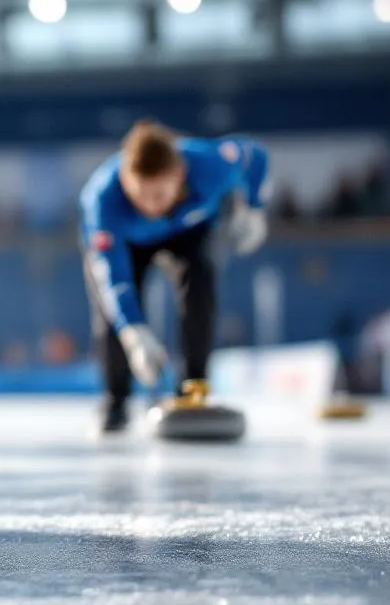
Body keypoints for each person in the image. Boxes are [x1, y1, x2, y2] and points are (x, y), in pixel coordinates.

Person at [78, 119, 270, 432]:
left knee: (201, 286)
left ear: (180, 175)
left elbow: (256, 155)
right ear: (125, 179)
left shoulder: (212, 166)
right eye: (140, 195)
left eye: (159, 195)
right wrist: (133, 332)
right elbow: (114, 278)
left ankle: (193, 390)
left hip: (188, 234)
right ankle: (116, 400)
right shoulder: (101, 200)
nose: (150, 207)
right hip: (126, 246)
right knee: (110, 315)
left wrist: (254, 207)